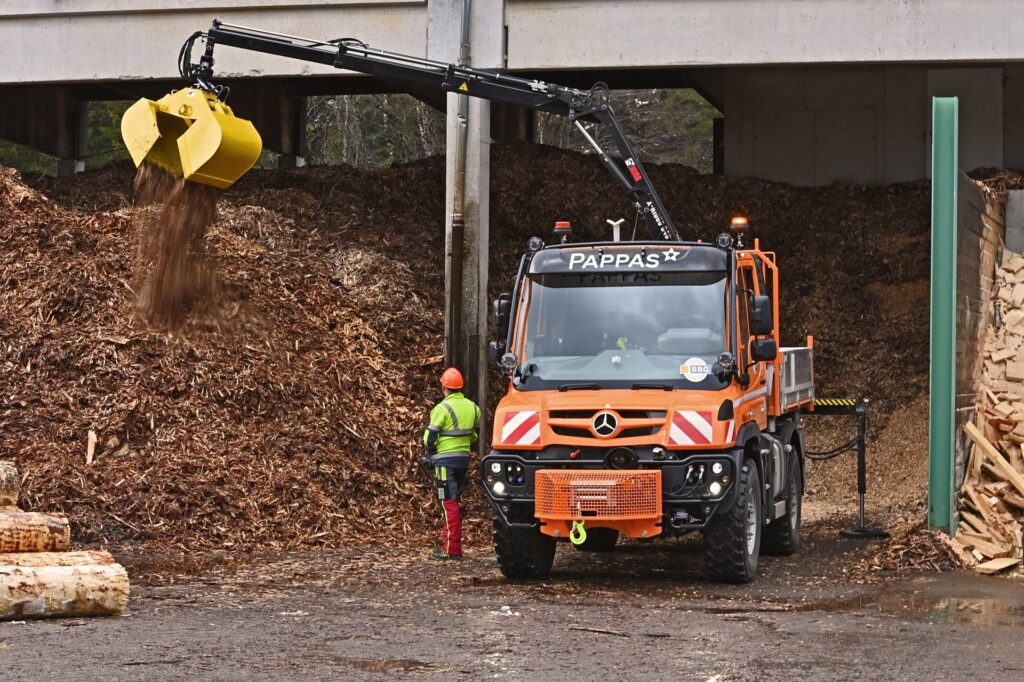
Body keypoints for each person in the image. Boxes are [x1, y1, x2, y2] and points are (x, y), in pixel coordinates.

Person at [421, 367, 481, 561]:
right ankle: (451, 545)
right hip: (463, 460)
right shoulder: (473, 407)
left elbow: (429, 437)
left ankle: (452, 549)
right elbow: (473, 434)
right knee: (454, 502)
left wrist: (431, 454)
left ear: (444, 387)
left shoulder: (441, 409)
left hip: (444, 463)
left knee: (448, 504)